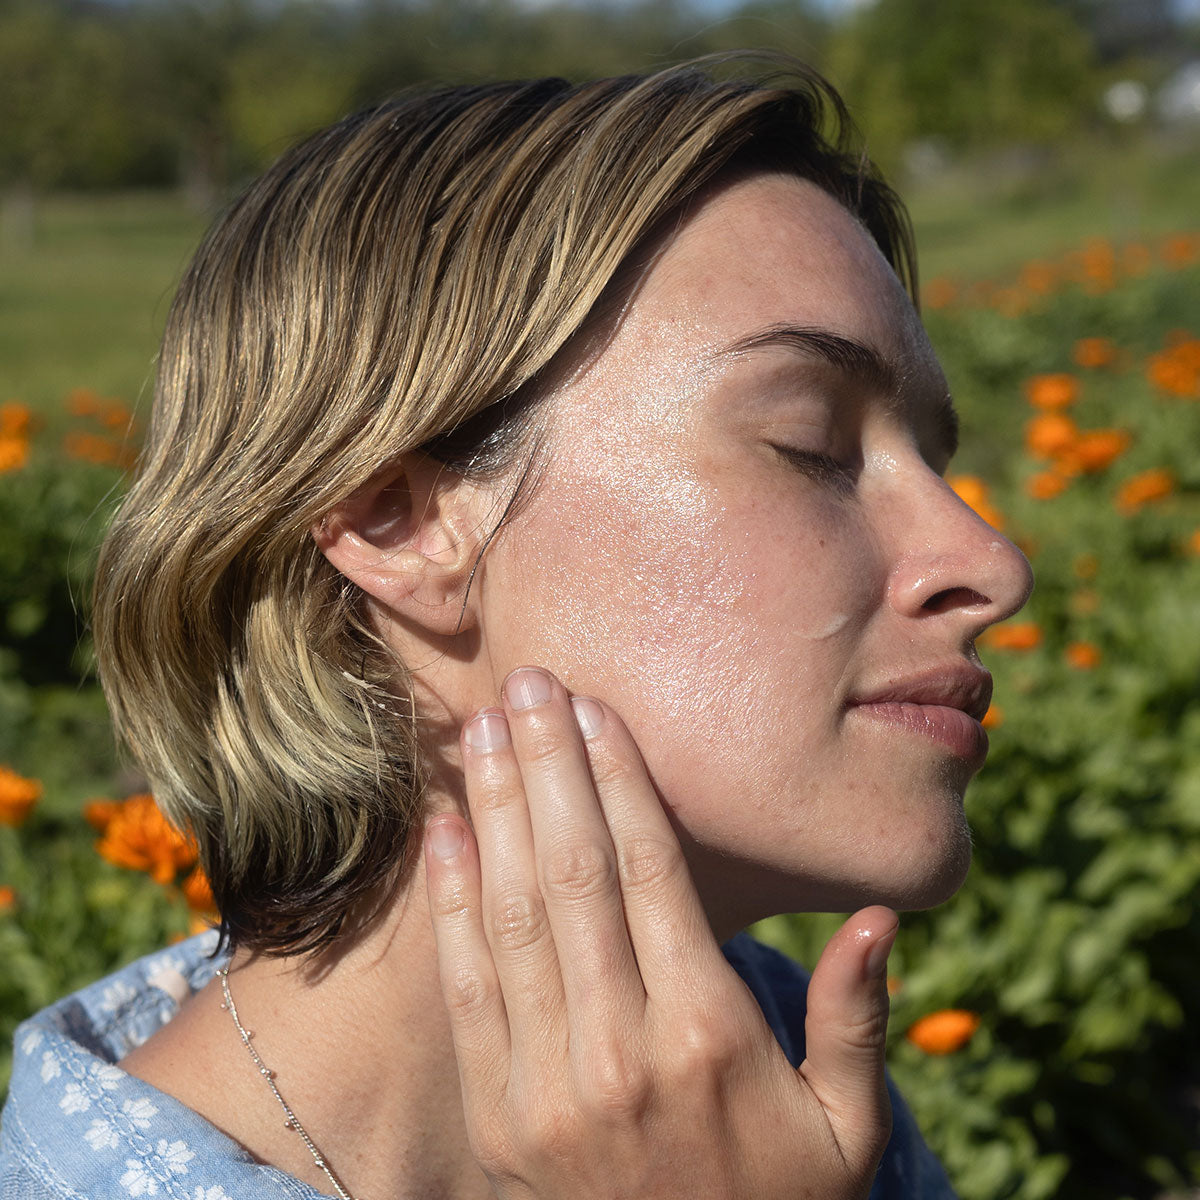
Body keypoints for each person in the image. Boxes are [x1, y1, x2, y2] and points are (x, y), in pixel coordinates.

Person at [0, 53, 1032, 1199]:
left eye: (934, 457)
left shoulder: (778, 1079)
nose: (990, 561)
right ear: (396, 520)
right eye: (809, 443)